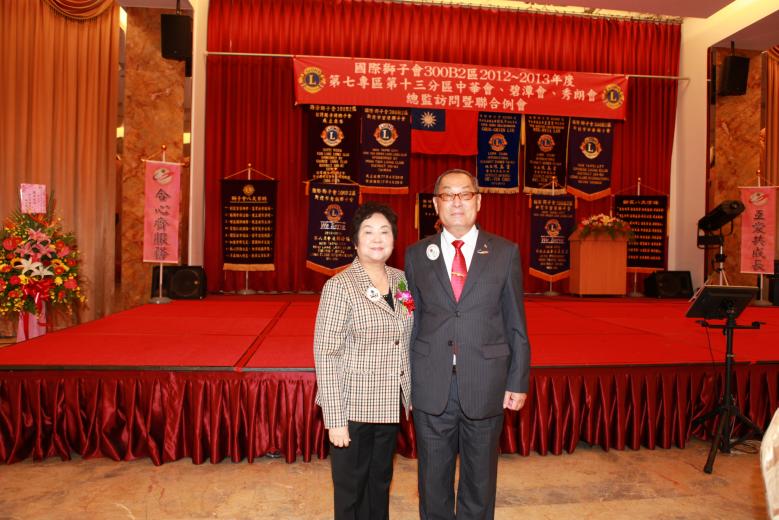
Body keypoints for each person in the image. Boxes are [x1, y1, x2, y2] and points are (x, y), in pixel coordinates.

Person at [404, 169, 530, 520]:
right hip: (432, 384)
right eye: (448, 195)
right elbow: (411, 321)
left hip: (486, 383)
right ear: (436, 204)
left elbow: (515, 322)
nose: (456, 202)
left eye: (464, 194)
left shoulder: (505, 252)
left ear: (478, 200)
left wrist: (517, 381)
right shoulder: (416, 254)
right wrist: (406, 381)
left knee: (480, 482)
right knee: (433, 483)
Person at [314, 201, 413, 520]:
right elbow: (326, 354)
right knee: (351, 491)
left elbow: (406, 333)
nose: (377, 238)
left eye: (385, 231)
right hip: (353, 407)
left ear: (394, 239)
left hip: (389, 403)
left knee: (379, 485)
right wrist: (335, 419)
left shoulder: (401, 281)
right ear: (355, 241)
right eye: (368, 232)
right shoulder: (339, 286)